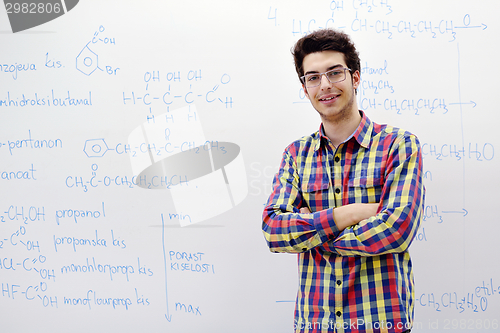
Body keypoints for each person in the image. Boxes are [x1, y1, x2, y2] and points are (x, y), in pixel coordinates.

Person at [262, 28, 424, 333]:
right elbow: (274, 230)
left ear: (355, 78)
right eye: (313, 77)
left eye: (335, 73)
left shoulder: (398, 145)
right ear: (305, 87)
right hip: (315, 324)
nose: (325, 85)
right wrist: (347, 215)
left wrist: (315, 234)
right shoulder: (296, 155)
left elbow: (397, 229)